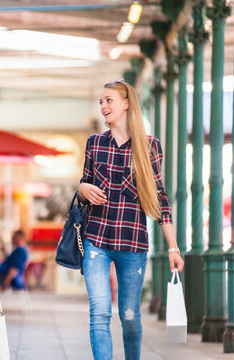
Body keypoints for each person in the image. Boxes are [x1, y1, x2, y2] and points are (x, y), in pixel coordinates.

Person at [78, 79, 184, 360]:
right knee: (99, 312)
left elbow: (161, 198)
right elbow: (83, 184)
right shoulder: (95, 143)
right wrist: (83, 188)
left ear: (126, 104)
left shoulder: (150, 147)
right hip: (96, 239)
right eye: (101, 101)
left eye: (109, 100)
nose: (103, 106)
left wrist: (173, 247)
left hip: (133, 241)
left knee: (129, 316)